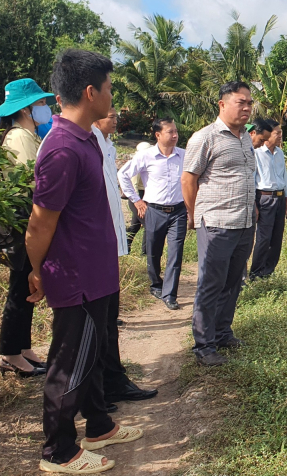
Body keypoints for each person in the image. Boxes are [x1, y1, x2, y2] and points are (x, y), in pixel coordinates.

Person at [26, 48, 142, 474]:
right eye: (109, 88)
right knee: (69, 361)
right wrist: (37, 270)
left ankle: (99, 425)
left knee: (93, 354)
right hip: (76, 277)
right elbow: (40, 224)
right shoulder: (61, 149)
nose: (113, 96)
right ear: (91, 92)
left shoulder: (89, 138)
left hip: (98, 271)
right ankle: (58, 451)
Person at [181, 82, 257, 367]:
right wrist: (194, 215)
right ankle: (204, 345)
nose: (247, 107)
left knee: (233, 282)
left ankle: (223, 333)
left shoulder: (245, 137)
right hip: (216, 223)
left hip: (244, 223)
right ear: (222, 104)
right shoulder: (205, 138)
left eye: (249, 103)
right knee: (211, 284)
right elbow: (188, 179)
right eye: (241, 102)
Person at [92, 107, 158, 413]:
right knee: (96, 324)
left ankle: (113, 380)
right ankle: (95, 392)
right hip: (94, 246)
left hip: (109, 244)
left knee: (109, 320)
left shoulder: (106, 144)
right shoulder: (83, 142)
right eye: (110, 113)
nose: (116, 117)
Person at [0, 78, 54, 378]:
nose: (45, 108)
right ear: (27, 109)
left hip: (25, 220)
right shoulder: (20, 137)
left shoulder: (26, 135)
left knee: (26, 286)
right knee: (20, 288)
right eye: (41, 103)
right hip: (23, 221)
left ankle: (23, 349)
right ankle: (9, 353)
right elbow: (34, 183)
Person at [118, 119, 187, 310]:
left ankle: (170, 294)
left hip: (178, 211)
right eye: (170, 132)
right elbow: (123, 174)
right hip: (154, 211)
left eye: (176, 131)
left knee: (176, 252)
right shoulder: (145, 156)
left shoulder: (184, 155)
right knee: (153, 251)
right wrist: (136, 200)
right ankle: (156, 284)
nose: (175, 135)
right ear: (158, 135)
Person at [249, 119, 287, 280]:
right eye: (277, 133)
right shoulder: (257, 153)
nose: (280, 136)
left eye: (281, 133)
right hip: (265, 198)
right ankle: (256, 273)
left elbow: (284, 177)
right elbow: (252, 179)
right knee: (264, 237)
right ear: (267, 135)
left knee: (277, 237)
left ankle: (268, 272)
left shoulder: (279, 153)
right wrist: (254, 205)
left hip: (280, 198)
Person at [124, 143, 149, 255]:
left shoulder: (145, 162)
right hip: (137, 197)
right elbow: (134, 185)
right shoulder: (137, 163)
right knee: (148, 224)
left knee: (135, 225)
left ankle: (125, 247)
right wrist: (138, 202)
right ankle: (146, 253)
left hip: (143, 196)